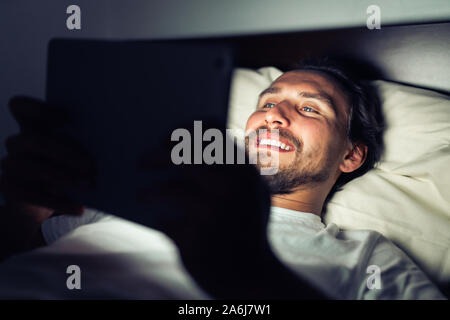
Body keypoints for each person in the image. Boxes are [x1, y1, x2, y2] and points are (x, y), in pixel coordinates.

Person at [0, 59, 445, 299]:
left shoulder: (368, 260)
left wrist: (249, 277)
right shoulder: (141, 190)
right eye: (267, 102)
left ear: (351, 155)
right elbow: (23, 245)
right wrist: (23, 204)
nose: (275, 115)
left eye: (310, 108)